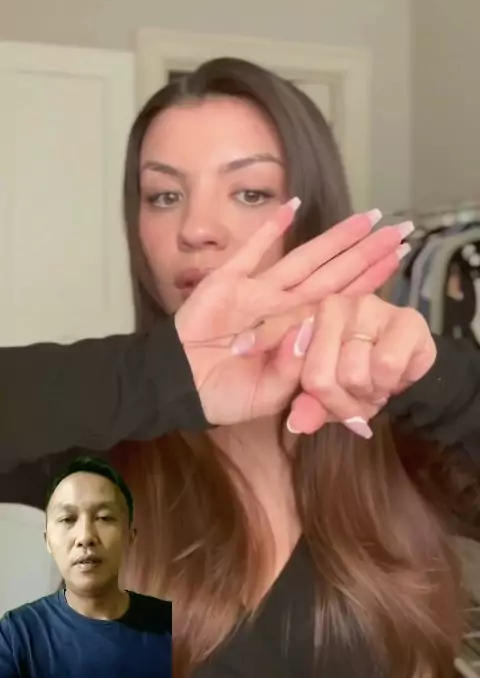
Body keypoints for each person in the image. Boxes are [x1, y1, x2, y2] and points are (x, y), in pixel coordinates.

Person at [0, 58, 479, 677]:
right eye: (164, 196)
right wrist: (158, 374)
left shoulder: (410, 432)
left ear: (314, 220)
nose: (197, 229)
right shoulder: (99, 439)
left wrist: (430, 379)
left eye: (251, 193)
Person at [0, 456, 172, 677]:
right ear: (47, 541)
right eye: (67, 519)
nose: (85, 537)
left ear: (130, 537)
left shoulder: (173, 626)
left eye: (104, 517)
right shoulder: (16, 636)